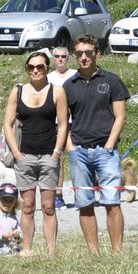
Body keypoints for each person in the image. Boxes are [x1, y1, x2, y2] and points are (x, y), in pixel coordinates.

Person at [61, 36, 128, 253]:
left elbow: (120, 116)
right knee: (84, 203)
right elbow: (63, 121)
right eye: (79, 53)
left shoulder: (112, 81)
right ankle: (94, 252)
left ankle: (117, 251)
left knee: (112, 202)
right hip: (79, 151)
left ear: (96, 54)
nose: (83, 57)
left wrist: (109, 145)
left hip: (105, 150)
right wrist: (70, 147)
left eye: (88, 53)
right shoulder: (68, 86)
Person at [2, 49, 67, 255]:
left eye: (40, 66)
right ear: (27, 70)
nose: (35, 70)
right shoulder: (18, 91)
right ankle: (27, 249)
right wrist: (16, 153)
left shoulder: (57, 91)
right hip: (25, 156)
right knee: (27, 206)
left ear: (47, 68)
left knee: (49, 207)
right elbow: (7, 124)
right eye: (31, 67)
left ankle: (51, 251)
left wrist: (56, 152)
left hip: (49, 156)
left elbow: (64, 124)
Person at [46, 46, 75, 208]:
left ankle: (82, 192)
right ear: (53, 59)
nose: (60, 59)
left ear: (68, 58)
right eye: (57, 56)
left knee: (78, 157)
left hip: (74, 122)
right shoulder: (48, 78)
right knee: (58, 159)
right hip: (55, 123)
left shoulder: (74, 75)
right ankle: (58, 195)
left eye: (63, 56)